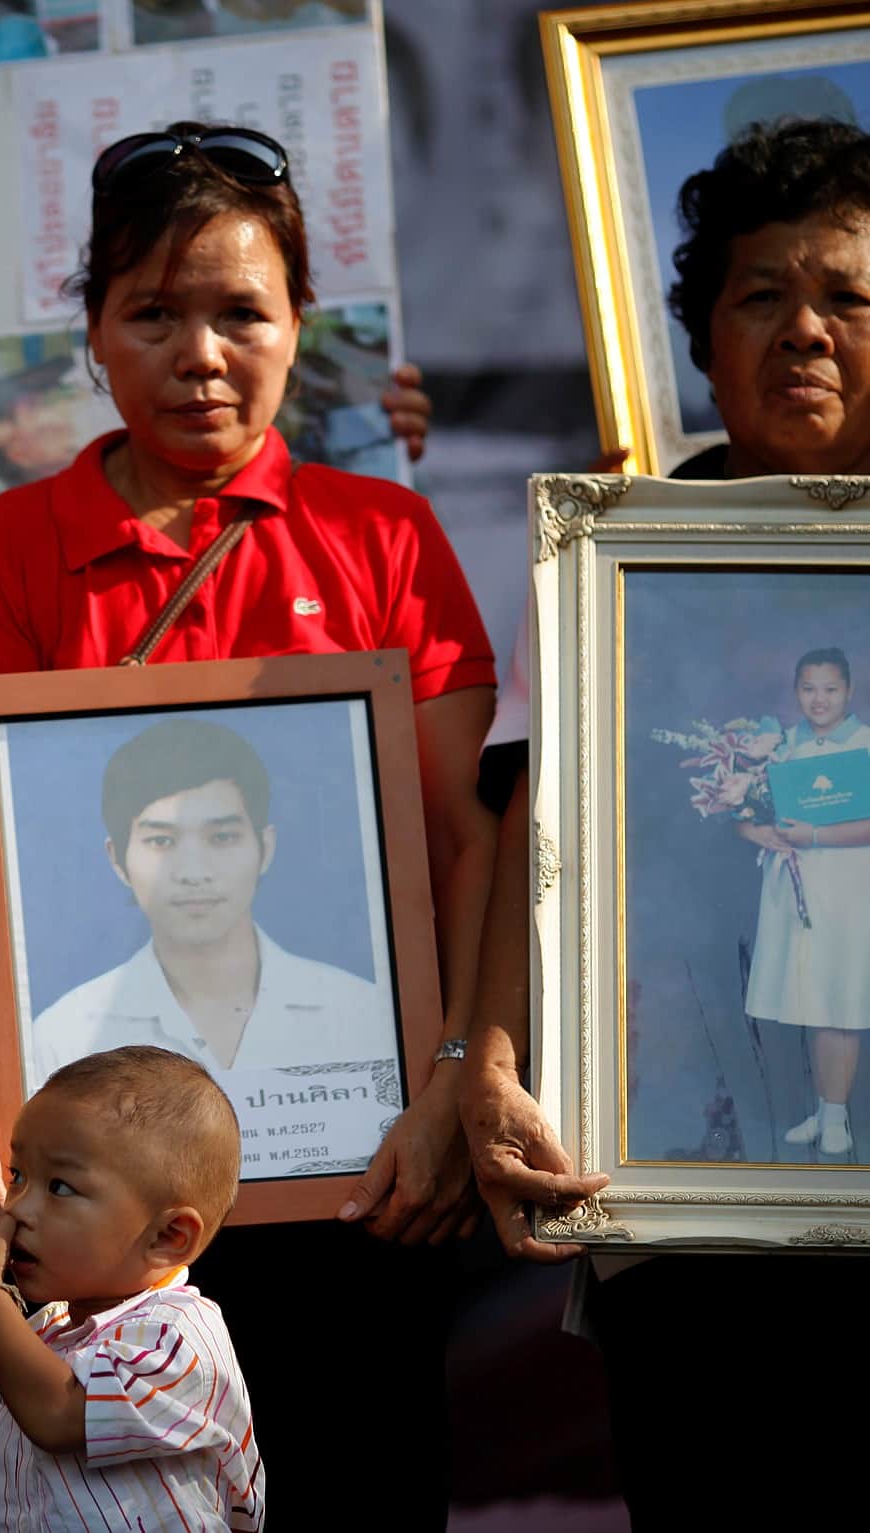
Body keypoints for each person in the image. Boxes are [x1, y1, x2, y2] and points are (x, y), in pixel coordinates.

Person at [0, 121, 494, 1528]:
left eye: (242, 311)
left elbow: (468, 844)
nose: (201, 354)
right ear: (93, 341)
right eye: (153, 315)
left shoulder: (380, 536)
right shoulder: (10, 545)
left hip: (354, 1174)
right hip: (92, 1215)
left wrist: (446, 1089)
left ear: (301, 324)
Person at [459, 118, 870, 1529]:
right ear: (700, 338)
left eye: (845, 298)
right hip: (688, 1205)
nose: (803, 332)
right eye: (760, 295)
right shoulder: (612, 553)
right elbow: (531, 827)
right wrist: (490, 1060)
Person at [0, 1045, 263, 1532]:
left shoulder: (178, 1339)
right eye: (18, 1176)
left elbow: (56, 1415)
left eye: (61, 1187)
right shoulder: (48, 1326)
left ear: (167, 1237)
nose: (18, 1208)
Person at [31, 716, 392, 1084]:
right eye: (161, 841)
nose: (193, 872)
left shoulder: (359, 1012)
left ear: (265, 847)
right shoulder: (64, 1037)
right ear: (117, 860)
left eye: (221, 838)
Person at [743, 647, 870, 1155]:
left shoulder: (863, 745)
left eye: (831, 689)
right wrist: (759, 833)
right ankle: (823, 1111)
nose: (819, 699)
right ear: (796, 691)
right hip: (793, 886)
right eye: (809, 689)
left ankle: (836, 1117)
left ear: (850, 692)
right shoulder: (778, 748)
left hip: (845, 887)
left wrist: (814, 834)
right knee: (814, 999)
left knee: (840, 999)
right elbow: (744, 811)